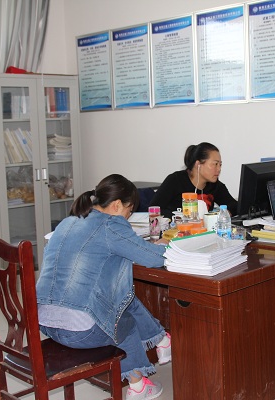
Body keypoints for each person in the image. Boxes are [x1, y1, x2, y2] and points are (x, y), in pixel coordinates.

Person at [36, 174, 171, 400]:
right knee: (123, 319)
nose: (128, 218)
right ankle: (138, 385)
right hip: (80, 333)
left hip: (45, 324)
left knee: (114, 290)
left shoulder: (68, 222)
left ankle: (161, 341)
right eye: (129, 211)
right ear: (117, 205)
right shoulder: (111, 225)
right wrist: (168, 245)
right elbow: (154, 258)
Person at [150, 142, 237, 218]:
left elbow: (234, 206)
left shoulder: (215, 185)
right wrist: (180, 217)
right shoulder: (175, 180)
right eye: (215, 164)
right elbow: (154, 209)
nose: (218, 169)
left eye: (220, 165)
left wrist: (226, 213)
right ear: (198, 164)